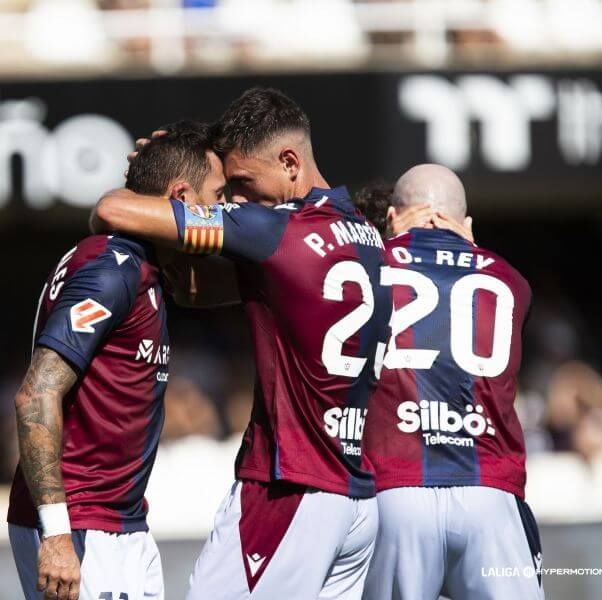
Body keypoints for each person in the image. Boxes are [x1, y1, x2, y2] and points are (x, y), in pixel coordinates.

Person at [93, 88, 392, 599]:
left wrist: (149, 177)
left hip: (289, 488)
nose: (234, 198)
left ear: (290, 162)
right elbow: (193, 290)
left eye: (243, 183)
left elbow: (113, 210)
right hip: (356, 501)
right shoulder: (364, 232)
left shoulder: (271, 229)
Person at [7, 121, 227, 600]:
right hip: (82, 527)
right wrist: (58, 534)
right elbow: (35, 394)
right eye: (219, 195)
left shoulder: (143, 265)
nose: (224, 211)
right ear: (183, 196)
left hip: (122, 522)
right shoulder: (111, 269)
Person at [360, 164, 543, 600]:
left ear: (391, 217)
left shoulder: (368, 266)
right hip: (489, 495)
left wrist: (387, 241)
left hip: (395, 492)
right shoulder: (512, 280)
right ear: (468, 226)